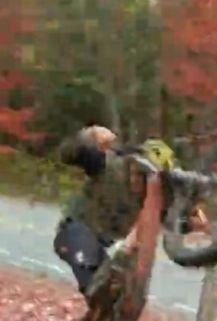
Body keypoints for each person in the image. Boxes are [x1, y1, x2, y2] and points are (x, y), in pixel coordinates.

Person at [54, 124, 208, 300]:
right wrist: (88, 137)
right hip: (74, 232)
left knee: (119, 291)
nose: (138, 180)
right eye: (137, 171)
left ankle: (108, 318)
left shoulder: (154, 196)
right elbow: (67, 154)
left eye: (147, 177)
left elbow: (168, 222)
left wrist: (190, 225)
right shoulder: (106, 165)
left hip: (104, 243)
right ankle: (99, 294)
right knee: (95, 280)